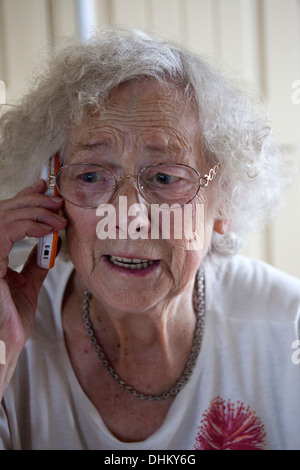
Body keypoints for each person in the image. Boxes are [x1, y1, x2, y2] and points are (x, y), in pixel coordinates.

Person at [0, 25, 299, 451]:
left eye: (164, 177)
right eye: (90, 175)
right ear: (50, 194)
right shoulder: (12, 332)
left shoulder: (289, 327)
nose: (126, 217)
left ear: (225, 200)